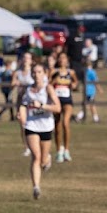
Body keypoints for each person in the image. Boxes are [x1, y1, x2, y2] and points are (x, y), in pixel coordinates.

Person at [18, 63, 60, 200]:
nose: (36, 74)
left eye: (39, 72)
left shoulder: (48, 89)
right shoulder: (28, 90)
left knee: (42, 159)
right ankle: (36, 187)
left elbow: (58, 108)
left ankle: (47, 159)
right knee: (35, 156)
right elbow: (23, 105)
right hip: (32, 125)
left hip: (46, 126)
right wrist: (22, 115)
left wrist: (42, 105)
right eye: (34, 72)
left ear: (44, 73)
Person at [50, 52, 78, 161]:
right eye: (60, 58)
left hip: (67, 100)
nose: (62, 60)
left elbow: (76, 84)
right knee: (57, 126)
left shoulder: (71, 72)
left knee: (65, 123)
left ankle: (66, 150)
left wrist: (74, 85)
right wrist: (54, 81)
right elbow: (48, 84)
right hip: (56, 100)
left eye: (64, 58)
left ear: (67, 60)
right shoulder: (54, 72)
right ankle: (58, 151)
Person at [80, 57, 100, 123]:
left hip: (85, 90)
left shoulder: (84, 71)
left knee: (88, 104)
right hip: (91, 91)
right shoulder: (92, 72)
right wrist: (99, 89)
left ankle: (94, 117)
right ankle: (81, 116)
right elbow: (95, 81)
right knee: (90, 104)